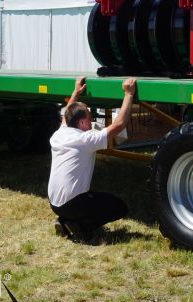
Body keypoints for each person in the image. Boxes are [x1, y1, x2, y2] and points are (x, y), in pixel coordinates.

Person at [48, 76, 137, 240]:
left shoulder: (60, 134)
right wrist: (129, 94)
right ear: (81, 123)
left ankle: (64, 220)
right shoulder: (85, 139)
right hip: (72, 204)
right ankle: (78, 227)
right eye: (89, 118)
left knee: (92, 199)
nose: (92, 121)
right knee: (119, 207)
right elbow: (119, 125)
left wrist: (75, 93)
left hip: (54, 204)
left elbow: (66, 115)